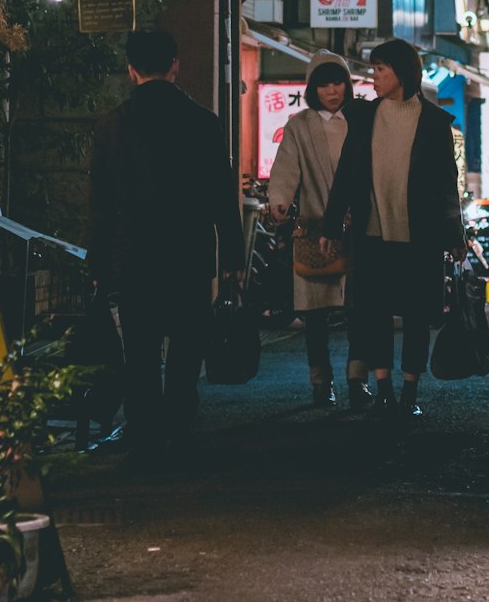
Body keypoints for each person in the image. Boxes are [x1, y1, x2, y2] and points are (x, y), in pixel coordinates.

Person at [89, 29, 244, 466]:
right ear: (175, 65)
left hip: (133, 254)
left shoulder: (111, 125)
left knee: (139, 349)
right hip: (189, 252)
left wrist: (98, 260)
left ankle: (145, 436)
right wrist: (232, 256)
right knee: (186, 344)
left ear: (130, 69)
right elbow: (220, 195)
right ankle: (178, 425)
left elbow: (100, 203)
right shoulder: (203, 122)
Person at [320, 38, 466, 420]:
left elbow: (445, 184)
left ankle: (409, 391)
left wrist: (455, 235)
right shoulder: (364, 116)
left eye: (381, 69)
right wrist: (331, 225)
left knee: (418, 315)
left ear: (401, 72)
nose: (374, 76)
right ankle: (383, 388)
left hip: (420, 237)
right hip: (372, 234)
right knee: (374, 312)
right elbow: (347, 177)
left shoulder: (434, 123)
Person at [267, 51, 371, 411]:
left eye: (338, 82)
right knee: (314, 312)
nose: (332, 90)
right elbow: (286, 166)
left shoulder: (360, 120)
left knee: (360, 308)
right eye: (324, 83)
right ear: (313, 88)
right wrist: (279, 199)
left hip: (358, 228)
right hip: (313, 226)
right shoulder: (300, 124)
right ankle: (320, 381)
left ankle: (358, 378)